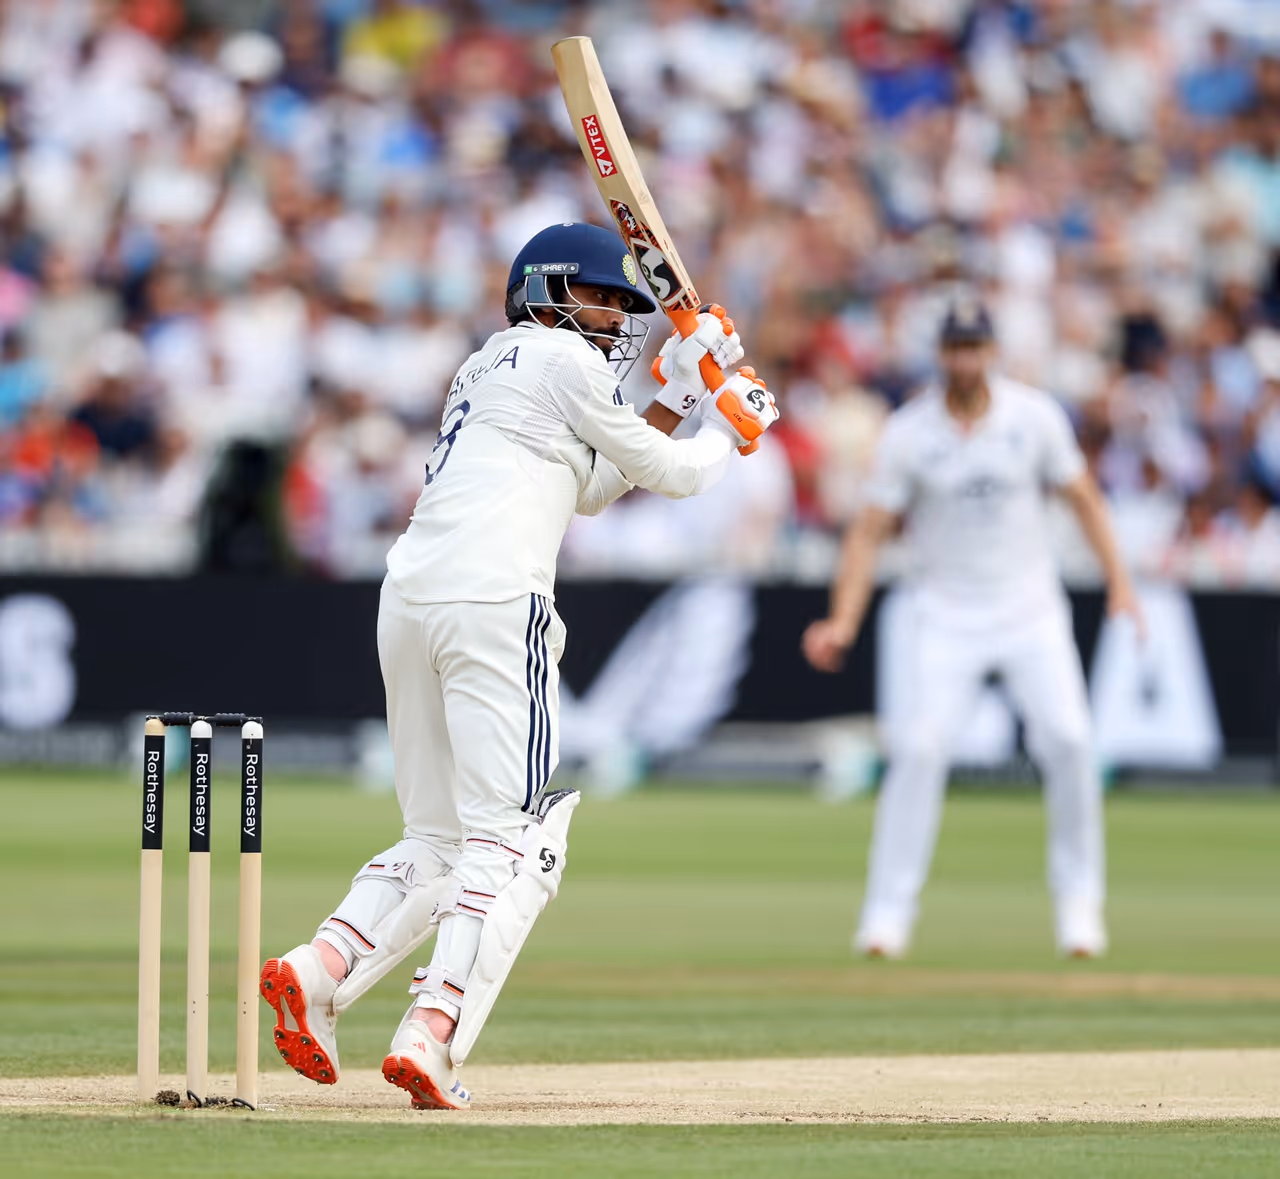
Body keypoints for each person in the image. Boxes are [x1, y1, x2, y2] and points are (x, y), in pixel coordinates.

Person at [257, 222, 779, 1109]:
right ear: (542, 287)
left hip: (410, 597)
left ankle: (319, 966)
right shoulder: (562, 360)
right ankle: (433, 1028)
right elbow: (671, 475)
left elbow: (591, 487)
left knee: (437, 838)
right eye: (601, 297)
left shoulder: (496, 362)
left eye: (624, 303)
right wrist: (735, 423)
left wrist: (687, 389)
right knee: (512, 839)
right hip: (499, 604)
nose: (617, 318)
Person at [801, 297, 1138, 960]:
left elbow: (1084, 499)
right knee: (920, 750)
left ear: (992, 351)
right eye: (955, 348)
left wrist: (1121, 583)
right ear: (940, 355)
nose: (966, 359)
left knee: (1071, 741)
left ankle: (1079, 904)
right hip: (946, 611)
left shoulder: (1033, 417)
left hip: (1028, 606)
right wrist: (843, 618)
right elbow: (868, 532)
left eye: (975, 347)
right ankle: (887, 913)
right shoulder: (908, 432)